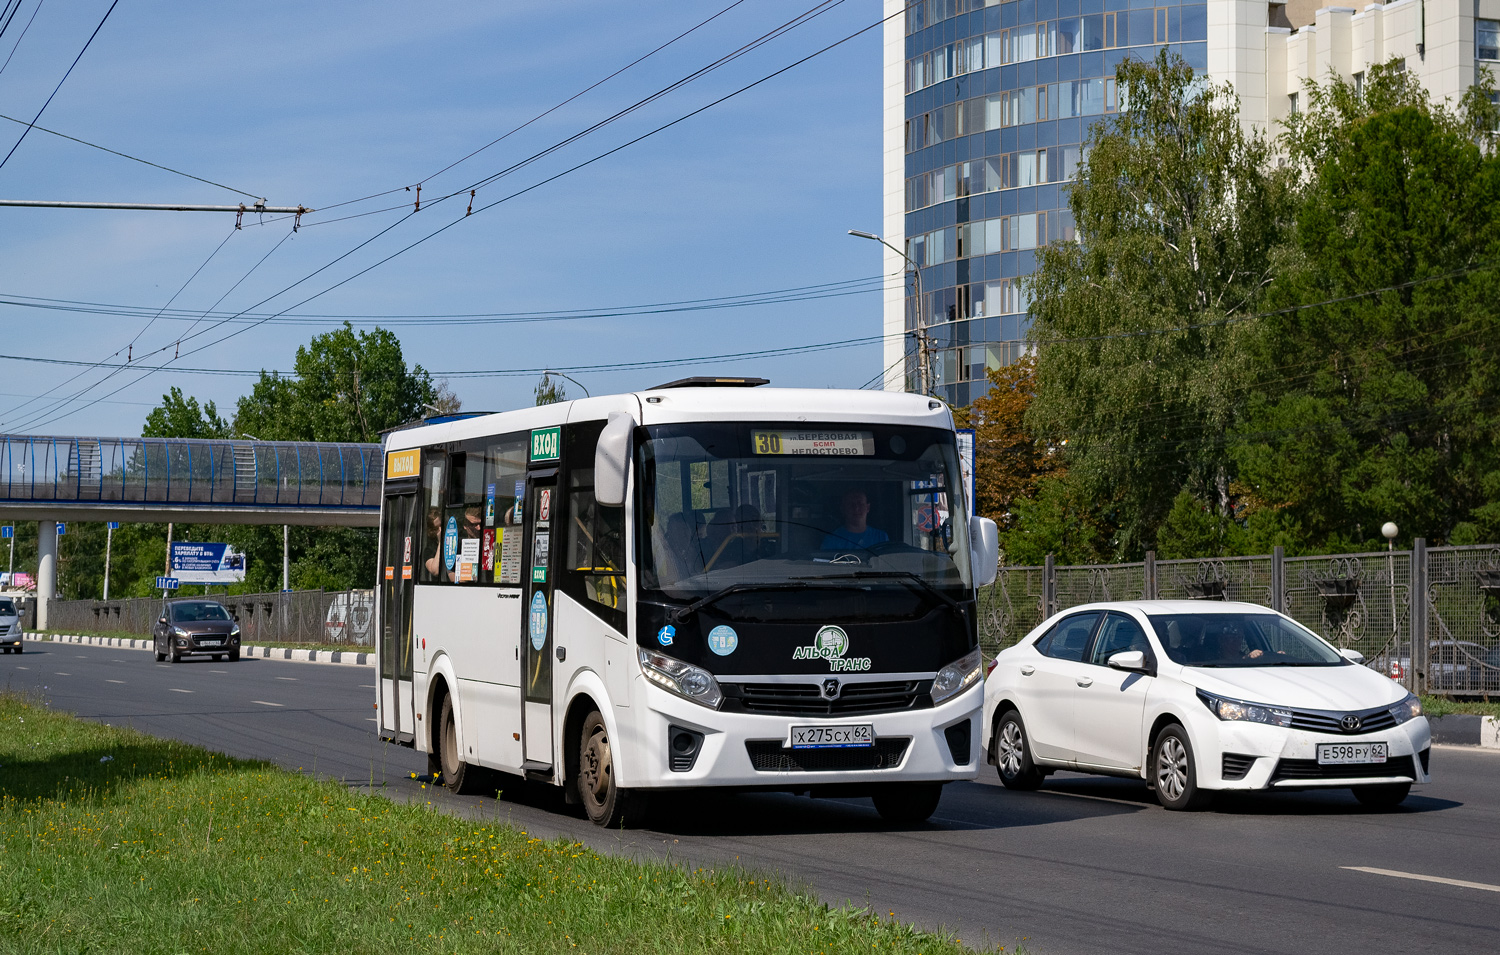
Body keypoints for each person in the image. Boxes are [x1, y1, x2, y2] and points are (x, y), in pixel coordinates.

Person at [820, 489, 889, 551]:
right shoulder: (832, 540)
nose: (856, 508)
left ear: (868, 508)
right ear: (843, 509)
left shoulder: (881, 537)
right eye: (851, 504)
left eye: (860, 504)